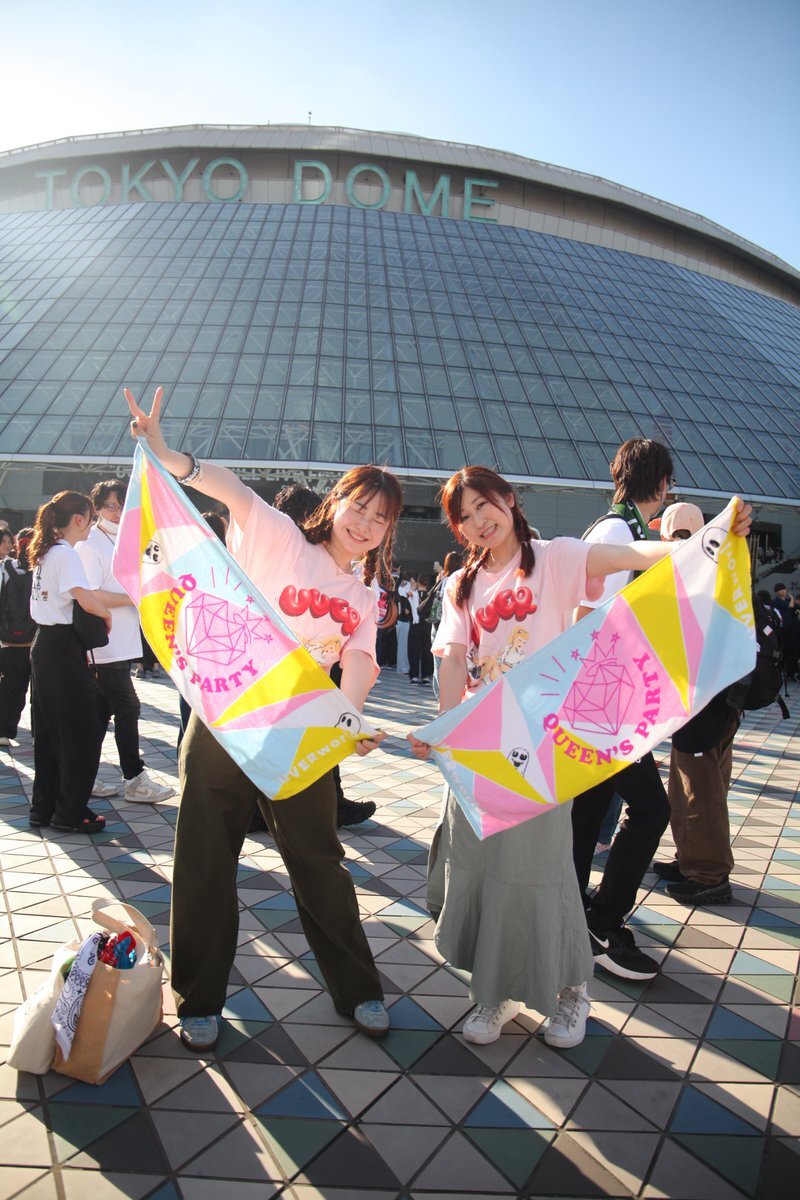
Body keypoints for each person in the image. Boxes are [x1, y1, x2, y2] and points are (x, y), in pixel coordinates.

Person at [409, 465, 751, 1048]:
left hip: (541, 747)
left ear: (508, 500)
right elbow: (453, 658)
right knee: (486, 873)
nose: (477, 521)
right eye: (464, 516)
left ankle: (573, 993)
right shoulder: (461, 584)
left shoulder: (556, 558)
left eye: (484, 505)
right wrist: (445, 726)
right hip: (480, 746)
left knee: (547, 873)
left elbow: (633, 556)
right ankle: (494, 991)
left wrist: (706, 541)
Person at [125, 387, 402, 1050]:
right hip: (227, 721)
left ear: (388, 532)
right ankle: (198, 998)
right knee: (204, 859)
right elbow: (232, 491)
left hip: (300, 734)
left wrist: (349, 721)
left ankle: (358, 988)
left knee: (320, 861)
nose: (364, 524)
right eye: (358, 507)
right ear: (335, 502)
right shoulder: (279, 537)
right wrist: (169, 456)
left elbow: (359, 662)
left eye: (380, 518)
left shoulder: (364, 596)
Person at [570, 438, 677, 982]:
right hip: (604, 705)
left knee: (588, 813)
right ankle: (602, 921)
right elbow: (585, 619)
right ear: (661, 483)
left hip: (605, 701)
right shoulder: (616, 534)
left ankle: (573, 918)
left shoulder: (619, 529)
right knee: (651, 811)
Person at [652, 502, 741, 905]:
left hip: (702, 700)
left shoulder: (689, 574)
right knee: (698, 785)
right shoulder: (718, 565)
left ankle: (708, 875)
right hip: (722, 699)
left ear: (672, 535)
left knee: (700, 791)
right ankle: (690, 858)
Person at [77, 481, 175, 804]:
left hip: (120, 642)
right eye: (111, 506)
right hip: (103, 644)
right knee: (128, 707)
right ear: (96, 508)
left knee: (100, 714)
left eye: (122, 505)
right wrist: (133, 598)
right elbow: (90, 594)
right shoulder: (91, 543)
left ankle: (82, 776)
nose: (117, 512)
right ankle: (134, 778)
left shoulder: (125, 539)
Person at [27, 492, 114, 834]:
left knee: (50, 732)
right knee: (81, 732)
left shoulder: (45, 551)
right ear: (79, 519)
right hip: (62, 648)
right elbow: (86, 599)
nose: (92, 526)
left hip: (44, 644)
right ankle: (70, 812)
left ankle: (44, 808)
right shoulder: (66, 554)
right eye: (91, 519)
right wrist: (106, 614)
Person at [0, 529, 35, 747]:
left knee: (11, 687)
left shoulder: (5, 568)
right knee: (39, 691)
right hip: (37, 640)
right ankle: (39, 734)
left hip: (9, 640)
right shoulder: (40, 569)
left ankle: (4, 731)